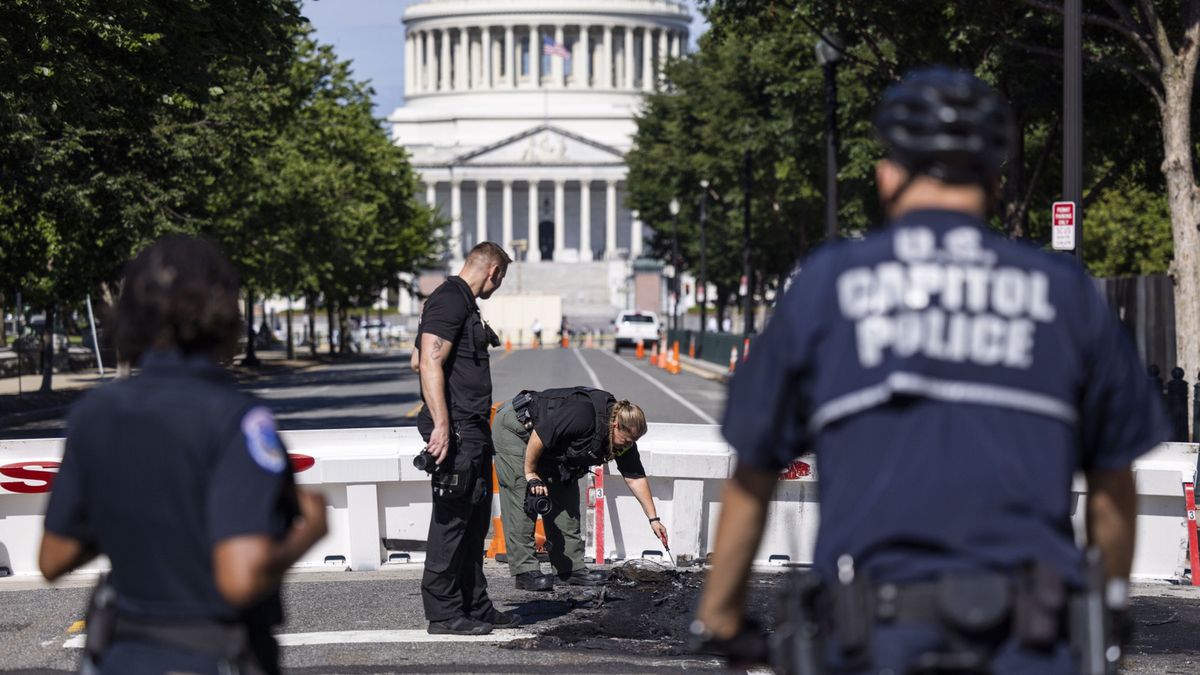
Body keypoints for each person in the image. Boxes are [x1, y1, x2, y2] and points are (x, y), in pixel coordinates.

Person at [692, 67, 1171, 673]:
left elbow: (753, 475)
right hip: (1032, 641)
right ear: (995, 182)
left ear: (887, 175)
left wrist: (722, 618)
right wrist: (1111, 610)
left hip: (871, 644)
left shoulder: (826, 287)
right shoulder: (1065, 294)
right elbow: (1112, 486)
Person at [39, 235, 328, 675]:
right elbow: (239, 577)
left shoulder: (93, 413)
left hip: (122, 654)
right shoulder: (237, 418)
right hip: (212, 655)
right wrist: (311, 530)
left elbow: (54, 558)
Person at [415, 241, 515, 635]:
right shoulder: (449, 299)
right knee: (452, 522)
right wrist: (442, 423)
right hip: (455, 428)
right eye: (501, 279)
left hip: (471, 427)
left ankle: (474, 604)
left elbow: (418, 357)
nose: (498, 286)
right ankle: (442, 614)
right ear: (493, 272)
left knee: (475, 523)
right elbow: (427, 360)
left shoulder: (463, 304)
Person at [492, 388, 668, 590]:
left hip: (550, 445)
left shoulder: (623, 439)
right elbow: (540, 435)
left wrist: (654, 520)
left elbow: (635, 478)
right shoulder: (582, 415)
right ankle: (525, 572)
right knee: (525, 495)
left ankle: (570, 570)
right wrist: (531, 473)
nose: (628, 446)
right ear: (616, 425)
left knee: (566, 500)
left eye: (633, 442)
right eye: (627, 440)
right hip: (519, 429)